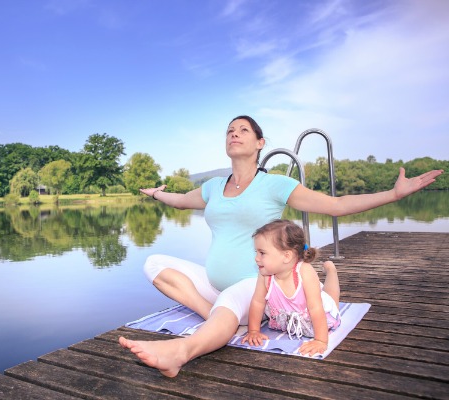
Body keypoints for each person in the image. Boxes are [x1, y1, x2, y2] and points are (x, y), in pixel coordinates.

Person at [118, 115, 443, 377]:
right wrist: (157, 193)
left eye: (243, 130)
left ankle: (181, 352)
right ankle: (218, 315)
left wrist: (394, 195)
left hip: (258, 285)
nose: (234, 133)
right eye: (230, 130)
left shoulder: (274, 184)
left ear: (260, 143)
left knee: (232, 298)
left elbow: (337, 204)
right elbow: (179, 202)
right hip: (216, 286)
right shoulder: (214, 187)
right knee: (155, 265)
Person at [241, 219, 340, 357]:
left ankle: (331, 270)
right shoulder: (265, 275)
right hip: (290, 318)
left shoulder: (304, 271)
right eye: (256, 252)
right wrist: (253, 331)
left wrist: (320, 340)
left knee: (331, 301)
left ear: (286, 256)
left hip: (315, 315)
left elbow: (316, 308)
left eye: (262, 253)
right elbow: (258, 302)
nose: (256, 258)